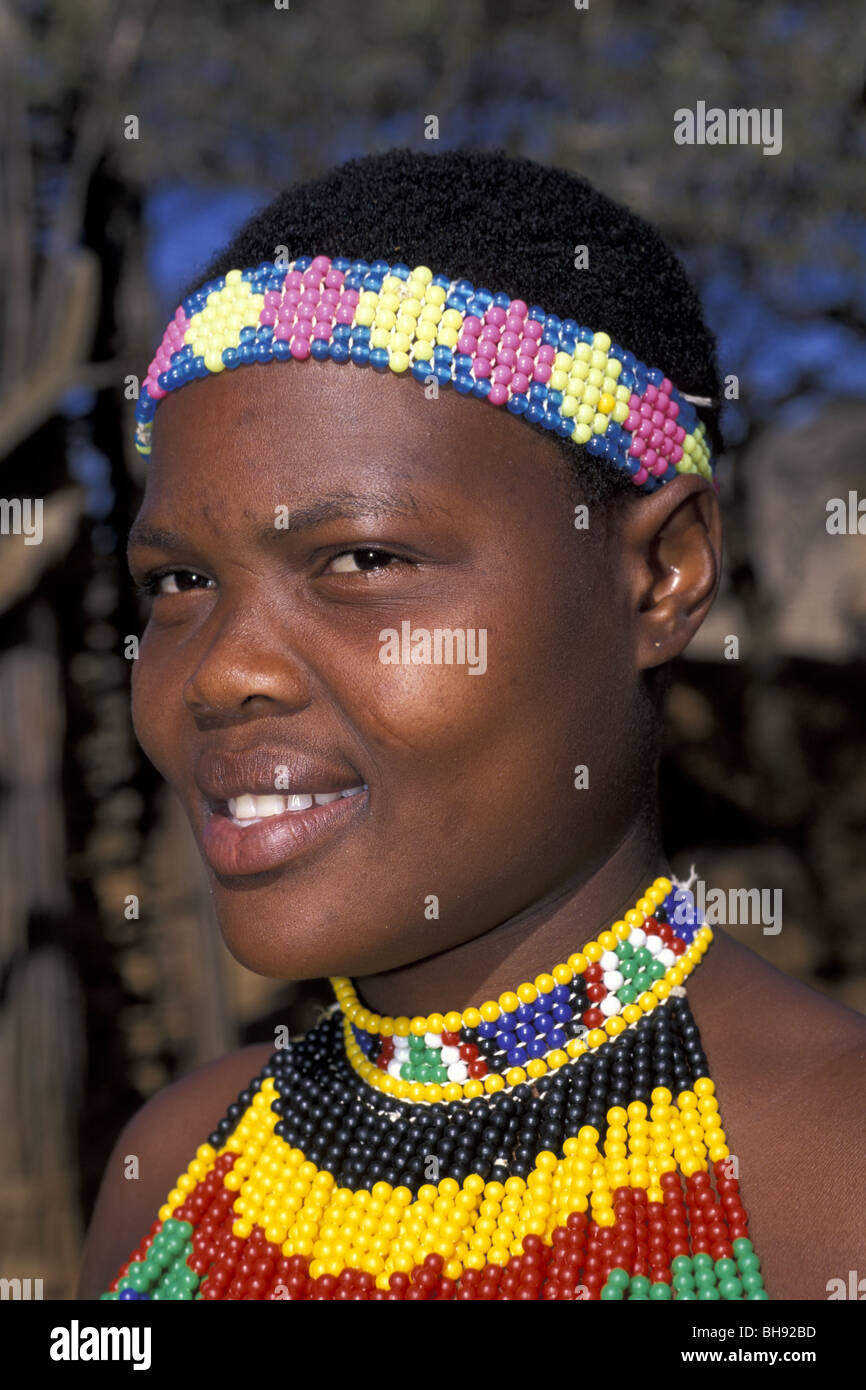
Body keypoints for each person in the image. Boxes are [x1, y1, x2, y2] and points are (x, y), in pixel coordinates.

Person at [76, 147, 866, 1302]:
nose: (223, 670)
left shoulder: (825, 1178)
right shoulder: (176, 1172)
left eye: (363, 558)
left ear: (659, 577)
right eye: (180, 582)